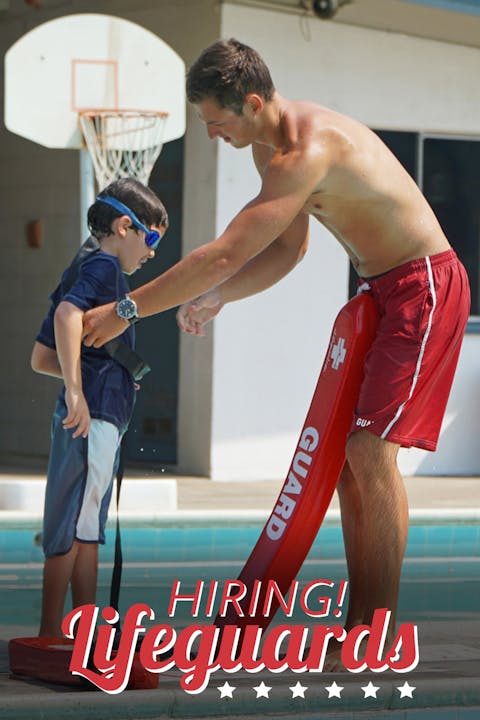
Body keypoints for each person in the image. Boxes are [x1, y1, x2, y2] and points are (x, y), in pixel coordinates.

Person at [82, 39, 470, 663]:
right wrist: (223, 298)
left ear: (253, 102)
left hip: (424, 285)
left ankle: (380, 627)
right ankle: (362, 618)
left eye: (216, 122)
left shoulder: (306, 150)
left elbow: (223, 251)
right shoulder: (270, 148)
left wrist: (127, 306)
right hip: (380, 290)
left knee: (371, 451)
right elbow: (288, 251)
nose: (210, 135)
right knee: (348, 464)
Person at [31, 177, 168, 636]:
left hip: (97, 416)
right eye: (151, 240)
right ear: (124, 226)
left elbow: (41, 356)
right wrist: (78, 393)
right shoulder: (107, 269)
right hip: (92, 420)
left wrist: (107, 378)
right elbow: (69, 317)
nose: (152, 253)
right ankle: (52, 634)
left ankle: (82, 631)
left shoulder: (82, 265)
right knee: (72, 527)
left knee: (85, 528)